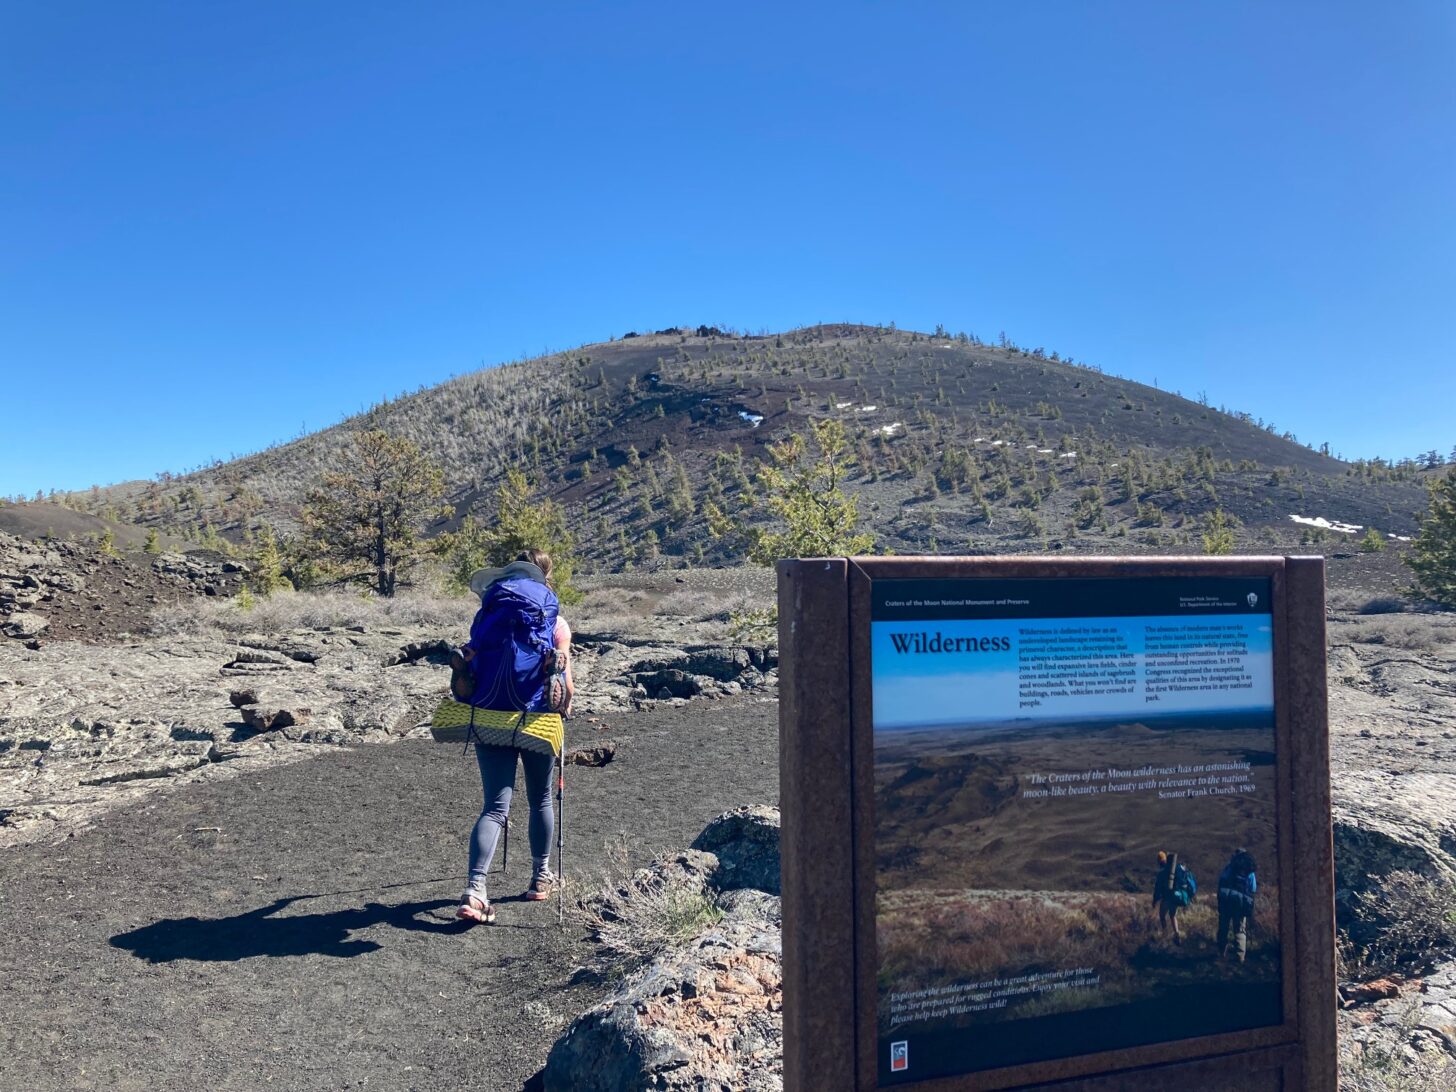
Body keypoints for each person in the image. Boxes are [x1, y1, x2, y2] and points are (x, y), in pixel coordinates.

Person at [451, 548, 574, 925]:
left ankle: (475, 890)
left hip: (489, 714)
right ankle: (540, 877)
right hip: (536, 717)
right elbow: (566, 689)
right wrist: (564, 704)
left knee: (495, 806)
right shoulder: (555, 622)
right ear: (545, 578)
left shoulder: (491, 612)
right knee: (540, 799)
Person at [1216, 848, 1258, 962]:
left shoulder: (1229, 867)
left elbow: (1221, 881)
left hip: (1226, 901)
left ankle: (1221, 953)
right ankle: (1240, 958)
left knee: (1223, 927)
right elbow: (1253, 888)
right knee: (1239, 929)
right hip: (1240, 903)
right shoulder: (1249, 870)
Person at [1152, 851, 1196, 944]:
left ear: (1159, 861)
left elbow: (1157, 889)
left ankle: (1165, 935)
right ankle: (1177, 934)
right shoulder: (1177, 869)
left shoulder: (1162, 873)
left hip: (1167, 898)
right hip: (1176, 896)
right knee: (1173, 915)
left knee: (1162, 916)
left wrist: (1155, 900)